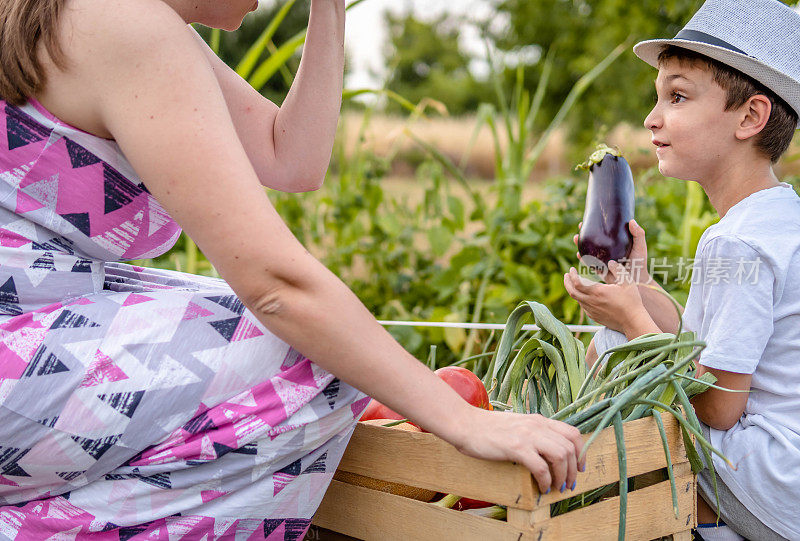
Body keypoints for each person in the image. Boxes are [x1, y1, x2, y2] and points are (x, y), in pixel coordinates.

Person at [0, 0, 586, 538]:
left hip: (31, 330)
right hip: (17, 357)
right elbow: (275, 287)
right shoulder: (128, 25)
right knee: (310, 352)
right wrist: (464, 422)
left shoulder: (117, 18)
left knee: (297, 329)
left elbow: (292, 158)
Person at [563, 0, 800, 539]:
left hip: (769, 481)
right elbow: (698, 350)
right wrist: (641, 289)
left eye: (678, 96)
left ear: (750, 117)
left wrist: (629, 325)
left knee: (611, 347)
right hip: (789, 471)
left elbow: (716, 407)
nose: (652, 118)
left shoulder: (737, 241)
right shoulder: (777, 219)